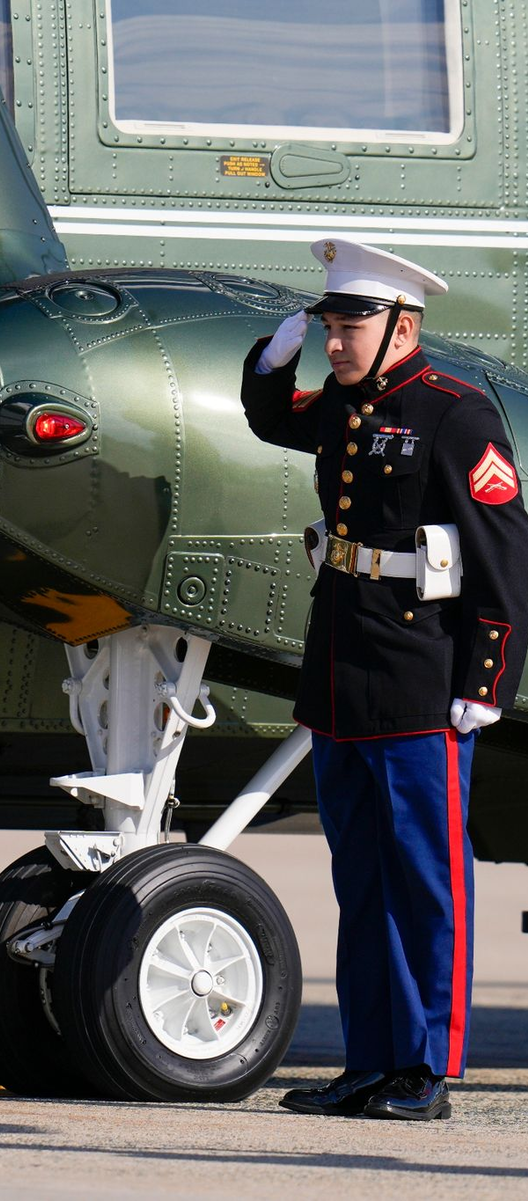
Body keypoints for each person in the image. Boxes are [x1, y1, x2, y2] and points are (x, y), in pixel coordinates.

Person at [241, 238, 528, 1121]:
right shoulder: (342, 408)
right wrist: (274, 351)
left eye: (349, 324)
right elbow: (266, 415)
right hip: (342, 676)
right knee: (359, 880)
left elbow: (505, 559)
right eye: (328, 324)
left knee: (425, 879)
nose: (336, 340)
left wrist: (489, 679)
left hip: (417, 680)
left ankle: (428, 1068)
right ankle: (370, 1059)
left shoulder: (456, 413)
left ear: (403, 325)